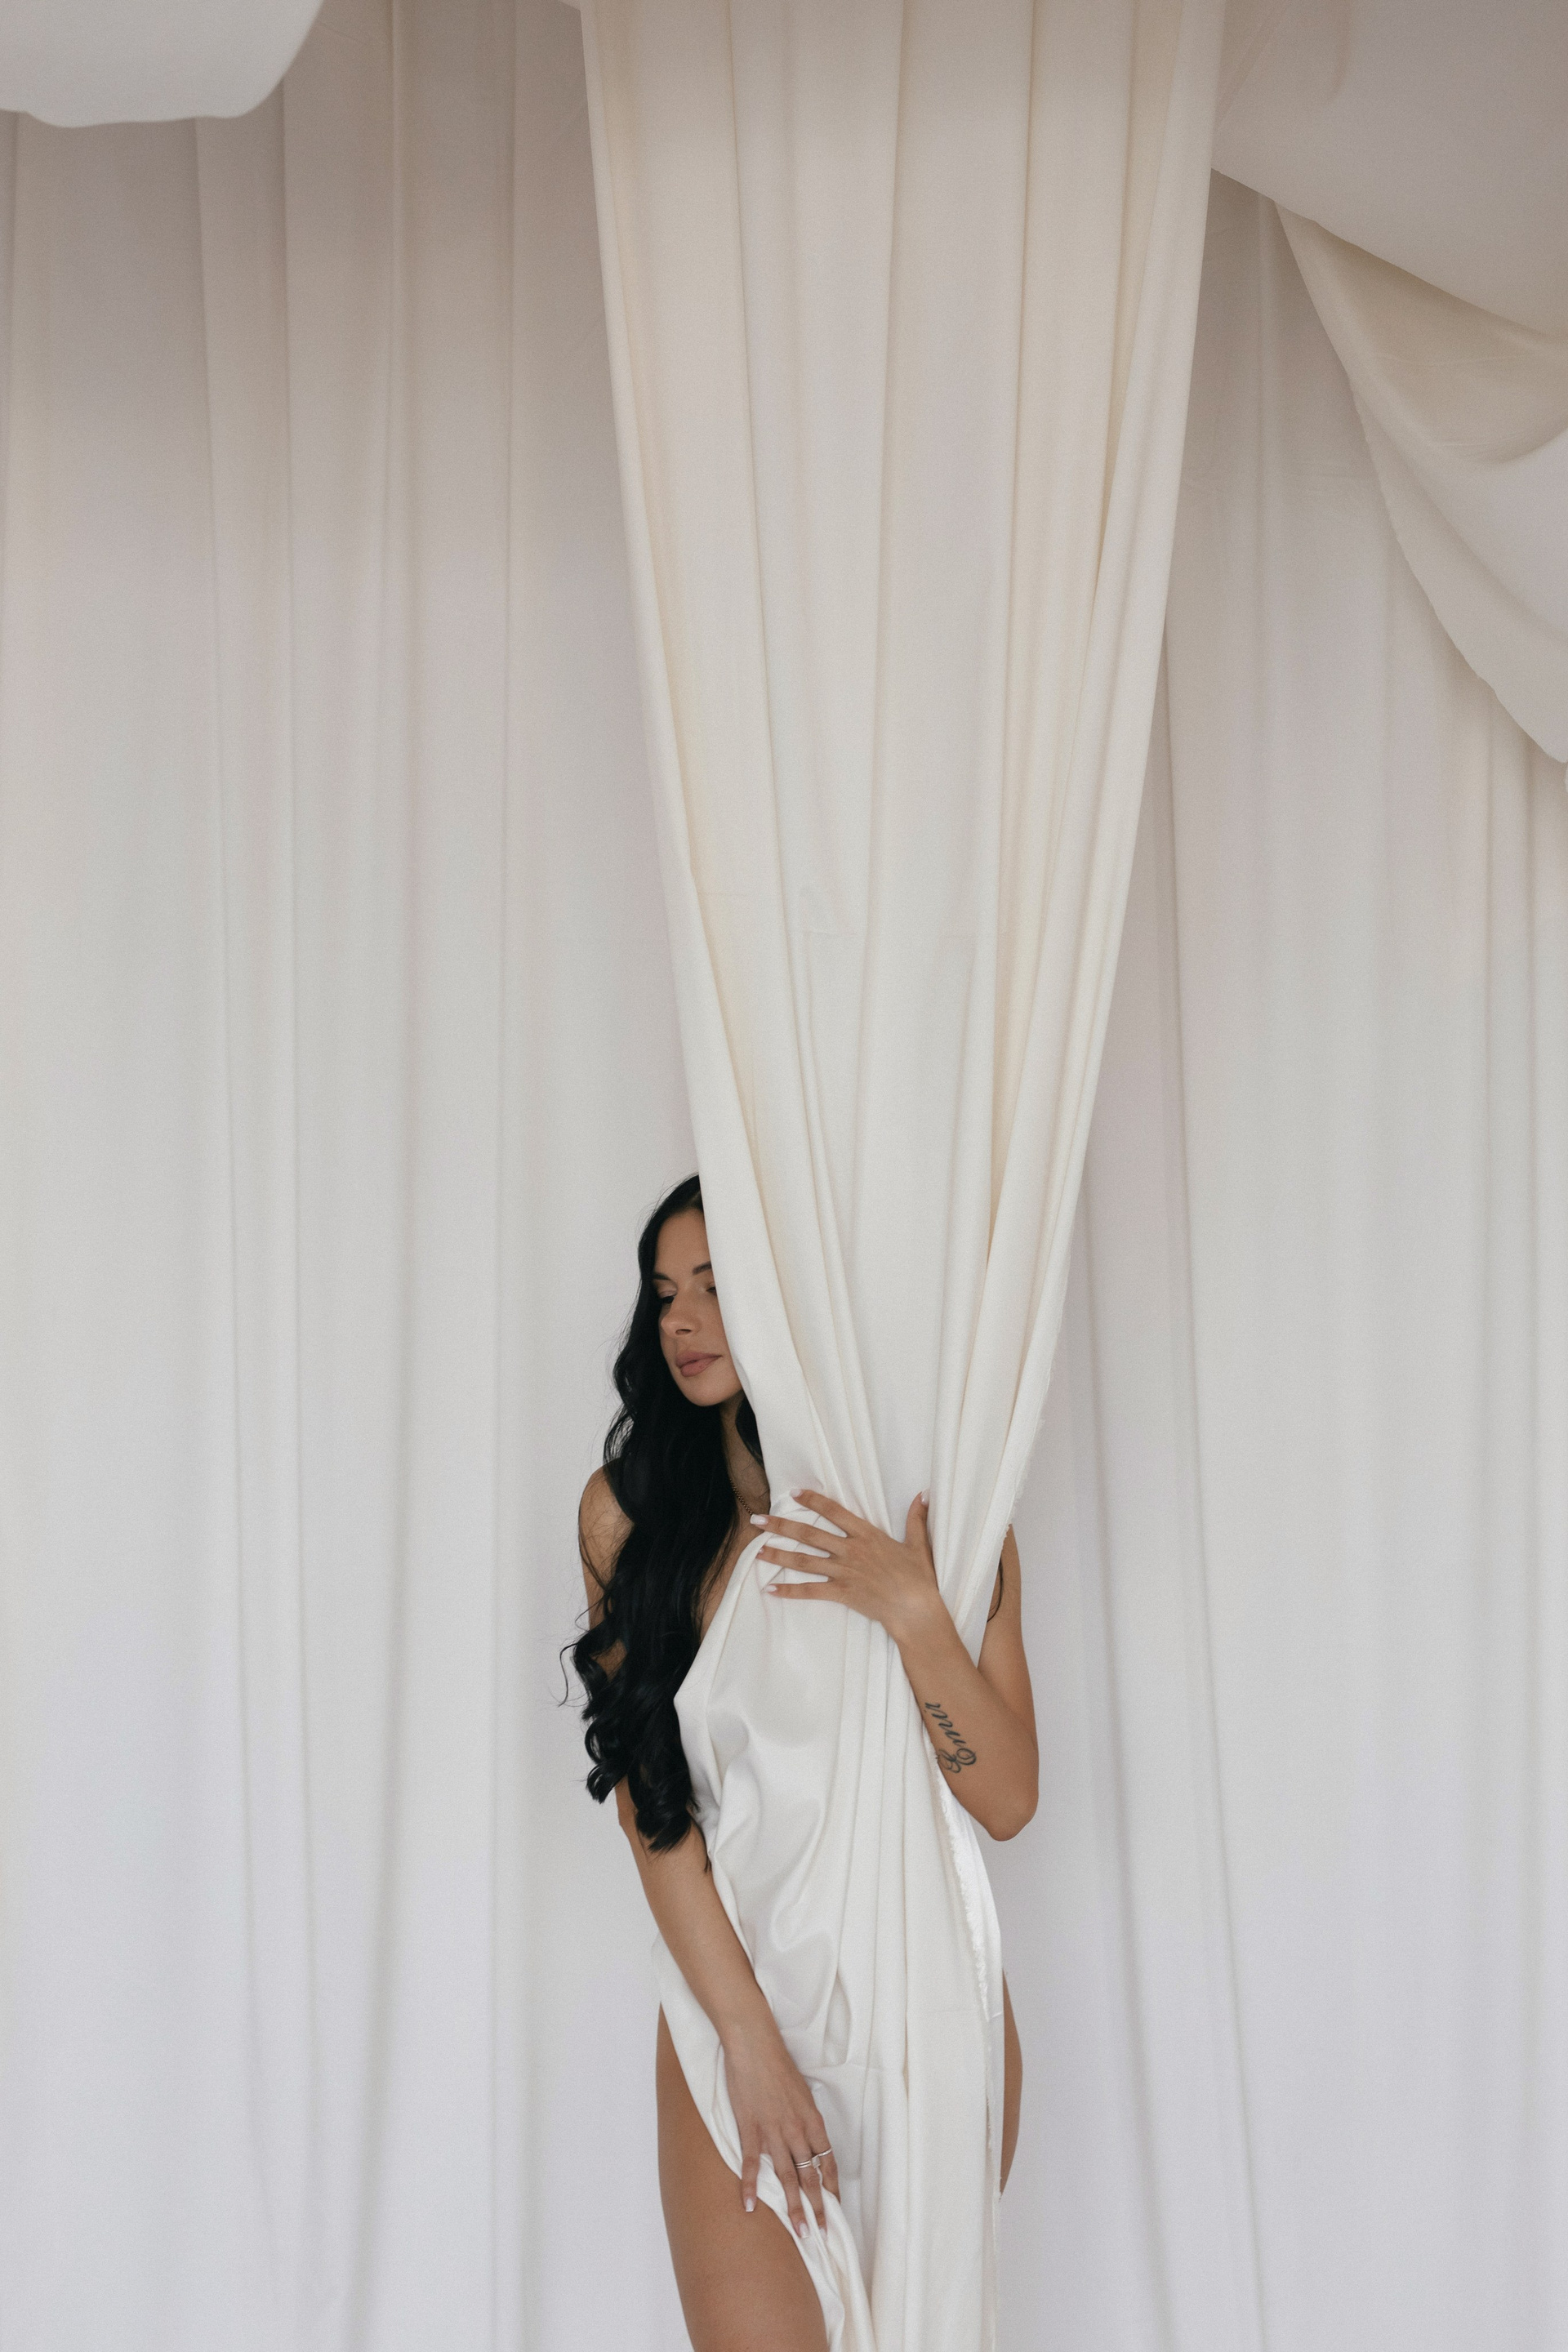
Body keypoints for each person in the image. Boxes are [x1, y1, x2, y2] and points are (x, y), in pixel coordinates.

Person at [572, 1174, 1038, 2352]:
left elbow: (1006, 1798)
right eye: (664, 1294)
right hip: (739, 2007)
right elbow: (652, 1812)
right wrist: (750, 2042)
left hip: (926, 2008)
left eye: (715, 1288)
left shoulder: (929, 1507)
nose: (681, 1321)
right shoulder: (630, 1517)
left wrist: (914, 1613)